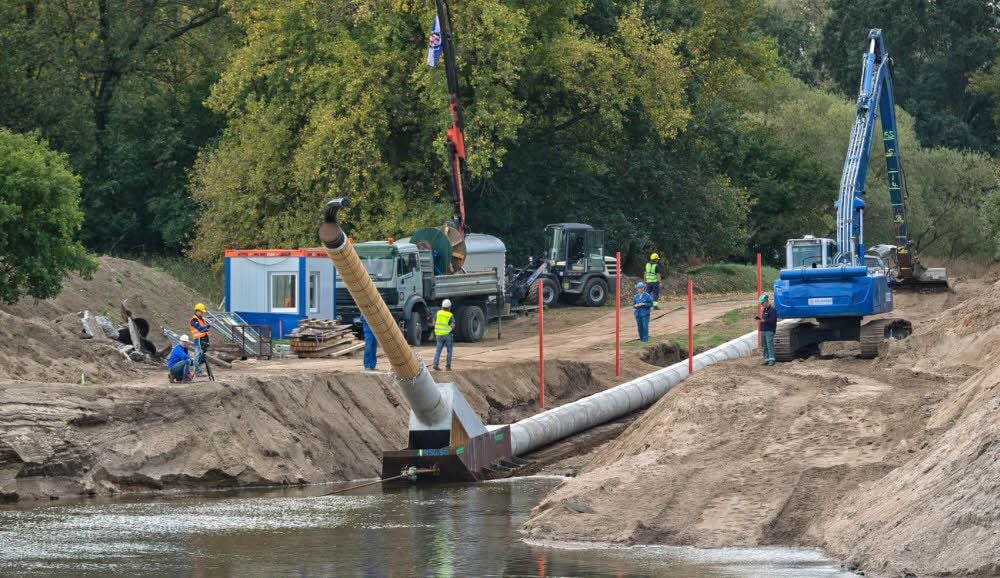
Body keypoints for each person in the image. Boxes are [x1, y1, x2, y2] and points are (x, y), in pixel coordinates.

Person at [432, 299, 456, 371]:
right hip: (447, 335)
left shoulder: (438, 313)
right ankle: (448, 367)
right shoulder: (450, 315)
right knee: (449, 351)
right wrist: (448, 329)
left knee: (438, 350)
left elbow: (434, 323)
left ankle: (435, 364)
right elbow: (453, 325)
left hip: (439, 335)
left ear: (442, 306)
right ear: (449, 307)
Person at [755, 293, 777, 366]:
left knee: (769, 344)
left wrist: (764, 321)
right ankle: (766, 359)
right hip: (763, 330)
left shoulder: (772, 310)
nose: (762, 305)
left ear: (766, 302)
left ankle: (771, 359)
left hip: (769, 330)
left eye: (762, 303)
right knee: (764, 345)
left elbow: (772, 320)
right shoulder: (764, 310)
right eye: (761, 303)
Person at [189, 303, 211, 376]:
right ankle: (197, 371)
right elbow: (200, 328)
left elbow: (204, 329)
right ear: (197, 311)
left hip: (203, 339)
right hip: (198, 340)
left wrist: (208, 326)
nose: (202, 313)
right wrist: (208, 325)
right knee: (197, 355)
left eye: (202, 312)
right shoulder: (194, 320)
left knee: (201, 355)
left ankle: (197, 370)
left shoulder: (201, 319)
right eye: (201, 312)